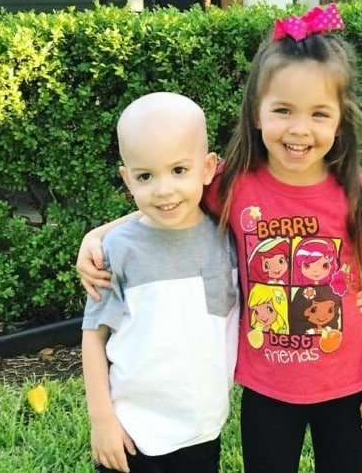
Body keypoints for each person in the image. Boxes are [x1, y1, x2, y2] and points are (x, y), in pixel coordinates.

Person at [78, 3, 362, 473]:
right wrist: (98, 235)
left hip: (347, 384)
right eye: (283, 110)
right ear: (256, 112)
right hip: (266, 389)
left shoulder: (361, 198)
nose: (299, 129)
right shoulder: (234, 185)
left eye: (319, 113)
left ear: (340, 119)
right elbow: (171, 200)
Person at [81, 92, 239, 473]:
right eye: (146, 176)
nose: (164, 189)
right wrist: (102, 419)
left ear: (208, 168)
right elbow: (93, 337)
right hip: (132, 431)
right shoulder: (118, 250)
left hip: (202, 426)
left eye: (179, 170)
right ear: (127, 179)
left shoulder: (229, 240)